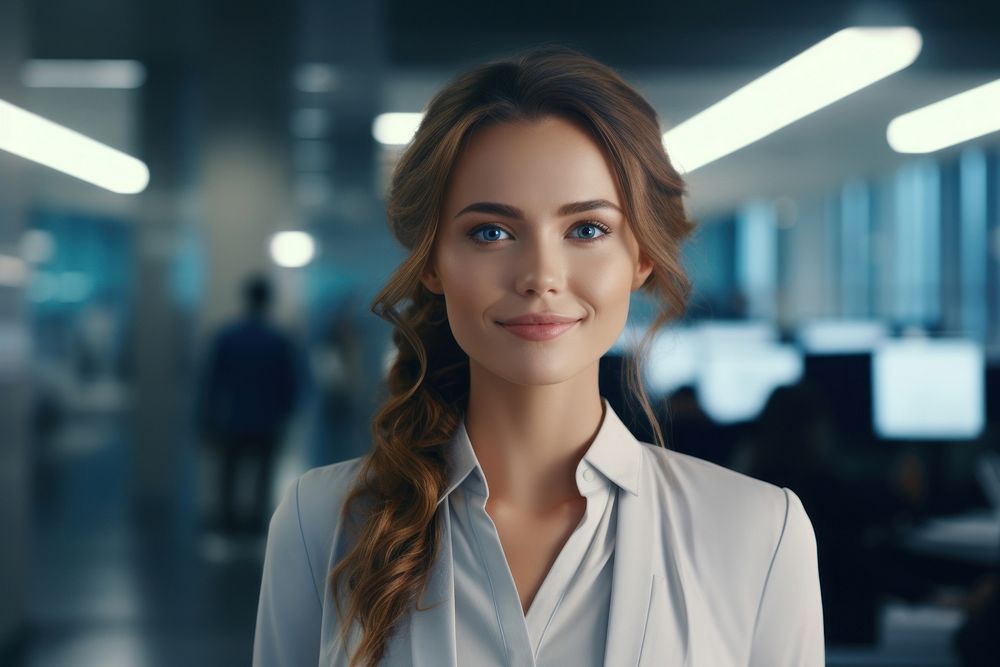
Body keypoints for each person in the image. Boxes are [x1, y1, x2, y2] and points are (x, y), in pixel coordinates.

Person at [253, 46, 824, 667]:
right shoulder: (321, 523)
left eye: (586, 230)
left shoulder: (759, 531)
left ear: (641, 258)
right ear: (433, 262)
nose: (541, 276)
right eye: (491, 232)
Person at [197, 274, 301, 536]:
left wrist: (206, 418)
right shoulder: (278, 340)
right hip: (267, 419)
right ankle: (255, 521)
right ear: (268, 300)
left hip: (233, 417)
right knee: (263, 475)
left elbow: (212, 383)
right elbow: (291, 384)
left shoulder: (227, 337)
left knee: (229, 473)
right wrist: (284, 414)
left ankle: (227, 519)